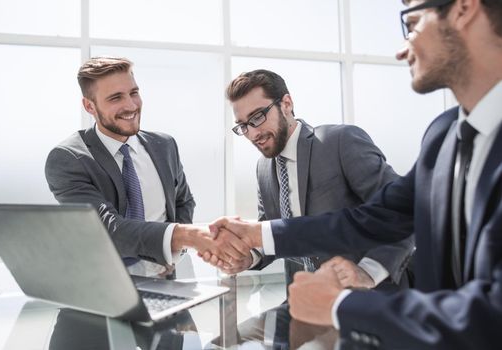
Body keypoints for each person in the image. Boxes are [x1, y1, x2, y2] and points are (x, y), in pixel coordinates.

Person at [210, 0, 502, 347]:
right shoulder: (442, 135)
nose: (401, 50)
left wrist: (343, 304)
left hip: (385, 310)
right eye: (243, 125)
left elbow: (491, 315)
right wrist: (254, 236)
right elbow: (371, 219)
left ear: (464, 9)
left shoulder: (338, 140)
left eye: (411, 23)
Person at [45, 56, 248, 278]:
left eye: (134, 93)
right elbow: (106, 228)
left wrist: (173, 252)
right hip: (106, 286)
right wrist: (188, 236)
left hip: (170, 277)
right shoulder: (69, 159)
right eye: (115, 98)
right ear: (89, 106)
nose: (131, 105)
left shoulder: (164, 145)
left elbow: (183, 201)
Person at [214, 69, 414, 291]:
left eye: (258, 117)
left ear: (286, 104)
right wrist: (248, 257)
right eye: (243, 125)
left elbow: (402, 212)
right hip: (305, 299)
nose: (252, 134)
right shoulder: (263, 167)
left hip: (371, 300)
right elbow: (270, 230)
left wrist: (367, 273)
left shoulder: (339, 142)